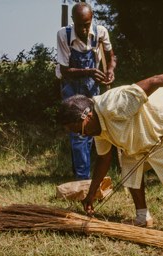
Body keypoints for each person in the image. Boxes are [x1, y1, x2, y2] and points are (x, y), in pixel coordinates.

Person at [60, 70, 163, 252]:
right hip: (146, 133)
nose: (81, 135)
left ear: (88, 116)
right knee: (130, 162)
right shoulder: (96, 128)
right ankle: (142, 217)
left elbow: (156, 80)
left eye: (80, 130)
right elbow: (104, 158)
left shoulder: (115, 102)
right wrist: (91, 195)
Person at [56, 2, 116, 180]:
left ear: (92, 19)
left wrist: (110, 70)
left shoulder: (101, 32)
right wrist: (89, 71)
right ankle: (83, 179)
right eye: (80, 25)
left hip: (92, 86)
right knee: (77, 130)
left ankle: (80, 173)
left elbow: (112, 57)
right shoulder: (64, 35)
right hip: (71, 86)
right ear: (73, 20)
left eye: (87, 24)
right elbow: (65, 70)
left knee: (91, 129)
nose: (84, 29)